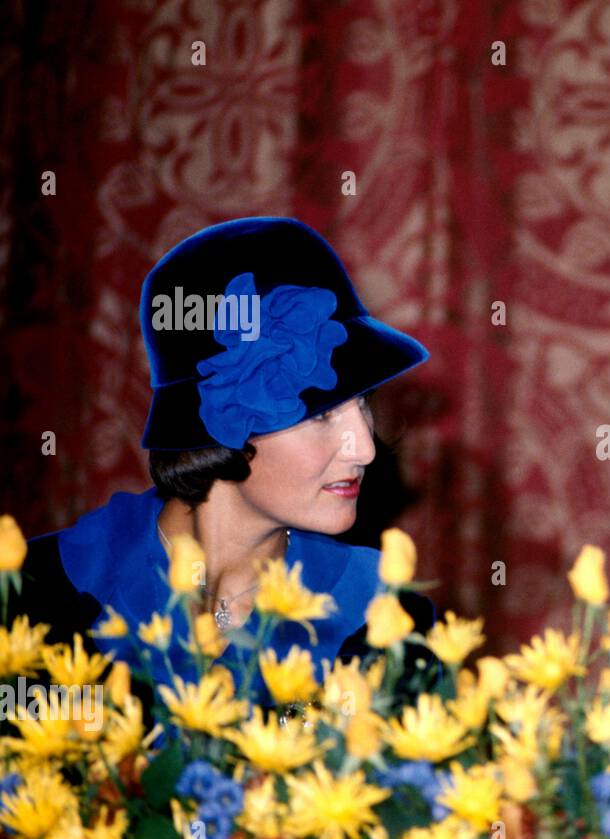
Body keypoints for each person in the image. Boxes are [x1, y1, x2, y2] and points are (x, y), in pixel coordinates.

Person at [14, 217, 437, 698]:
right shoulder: (40, 595)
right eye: (320, 415)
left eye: (362, 403)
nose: (364, 447)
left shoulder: (383, 621)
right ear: (223, 420)